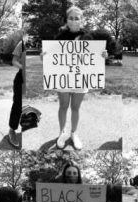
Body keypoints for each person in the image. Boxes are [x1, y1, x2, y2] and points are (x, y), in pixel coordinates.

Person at [42, 6, 109, 149]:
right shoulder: (60, 37)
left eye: (76, 18)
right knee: (63, 106)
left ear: (82, 20)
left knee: (75, 108)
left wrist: (103, 55)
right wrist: (44, 56)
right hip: (64, 77)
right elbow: (52, 57)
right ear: (67, 20)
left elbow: (95, 55)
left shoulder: (88, 36)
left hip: (81, 77)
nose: (73, 21)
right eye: (71, 18)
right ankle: (62, 133)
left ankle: (74, 133)